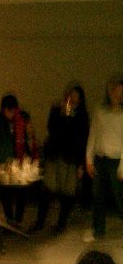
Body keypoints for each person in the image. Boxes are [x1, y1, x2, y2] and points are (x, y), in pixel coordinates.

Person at [32, 83, 89, 233]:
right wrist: (63, 115)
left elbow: (82, 139)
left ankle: (61, 223)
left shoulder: (82, 116)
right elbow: (51, 129)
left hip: (71, 158)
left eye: (77, 97)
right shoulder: (57, 109)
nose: (73, 99)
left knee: (68, 192)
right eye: (71, 95)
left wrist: (81, 164)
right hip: (54, 155)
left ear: (80, 100)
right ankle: (40, 222)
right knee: (47, 189)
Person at [85, 75, 123, 242]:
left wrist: (122, 167)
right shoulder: (99, 110)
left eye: (121, 92)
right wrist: (88, 159)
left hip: (117, 160)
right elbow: (93, 134)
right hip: (100, 159)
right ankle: (98, 230)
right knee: (97, 197)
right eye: (115, 90)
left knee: (119, 197)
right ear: (109, 91)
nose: (117, 95)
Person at [0, 94, 37, 226]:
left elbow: (28, 140)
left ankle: (18, 219)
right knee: (6, 194)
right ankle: (10, 219)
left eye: (13, 111)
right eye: (8, 111)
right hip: (3, 164)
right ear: (3, 109)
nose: (11, 114)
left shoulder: (21, 120)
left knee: (21, 192)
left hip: (19, 162)